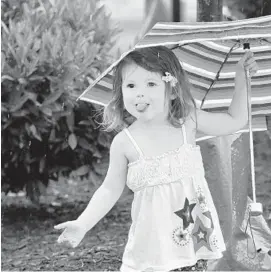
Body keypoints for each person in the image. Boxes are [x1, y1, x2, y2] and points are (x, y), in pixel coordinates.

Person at [54, 46, 258, 271]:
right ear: (121, 93)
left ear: (172, 90)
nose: (139, 93)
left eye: (151, 84)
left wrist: (242, 78)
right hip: (152, 248)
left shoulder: (187, 122)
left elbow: (235, 120)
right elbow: (109, 189)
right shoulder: (124, 142)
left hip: (193, 238)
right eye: (131, 86)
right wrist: (83, 223)